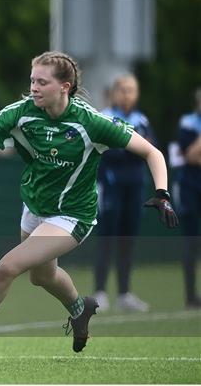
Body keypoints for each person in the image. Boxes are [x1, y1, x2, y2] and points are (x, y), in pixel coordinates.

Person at [0, 51, 178, 363]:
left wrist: (162, 192)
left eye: (42, 82)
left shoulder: (90, 122)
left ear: (65, 86)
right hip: (35, 207)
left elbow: (152, 152)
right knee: (41, 276)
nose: (34, 87)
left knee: (6, 268)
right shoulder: (23, 113)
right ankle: (80, 309)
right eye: (32, 81)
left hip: (73, 215)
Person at [93, 74, 155, 312]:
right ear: (114, 93)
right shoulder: (105, 117)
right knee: (107, 238)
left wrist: (129, 147)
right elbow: (110, 151)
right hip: (110, 186)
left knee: (128, 240)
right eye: (123, 90)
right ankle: (100, 291)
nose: (128, 94)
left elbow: (150, 148)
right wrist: (132, 147)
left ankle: (124, 294)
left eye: (132, 90)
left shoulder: (141, 119)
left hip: (135, 187)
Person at [176, 87, 201, 308]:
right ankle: (191, 296)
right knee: (191, 242)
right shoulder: (188, 123)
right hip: (191, 188)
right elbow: (191, 156)